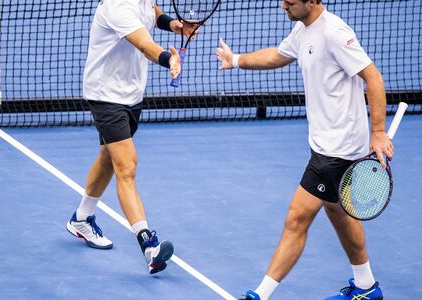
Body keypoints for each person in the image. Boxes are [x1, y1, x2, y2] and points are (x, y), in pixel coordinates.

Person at [216, 0, 391, 298]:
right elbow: (277, 55)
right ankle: (366, 286)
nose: (283, 5)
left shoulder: (335, 33)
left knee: (296, 218)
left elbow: (372, 77)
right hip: (322, 144)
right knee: (339, 214)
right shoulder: (302, 28)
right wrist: (236, 60)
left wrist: (377, 132)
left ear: (312, 1)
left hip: (338, 151)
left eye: (290, 1)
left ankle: (261, 293)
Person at [65, 0, 197, 274]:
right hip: (105, 96)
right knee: (127, 165)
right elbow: (144, 44)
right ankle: (149, 245)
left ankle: (81, 218)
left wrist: (171, 23)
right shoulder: (117, 7)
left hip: (131, 94)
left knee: (108, 157)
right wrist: (168, 58)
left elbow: (153, 11)